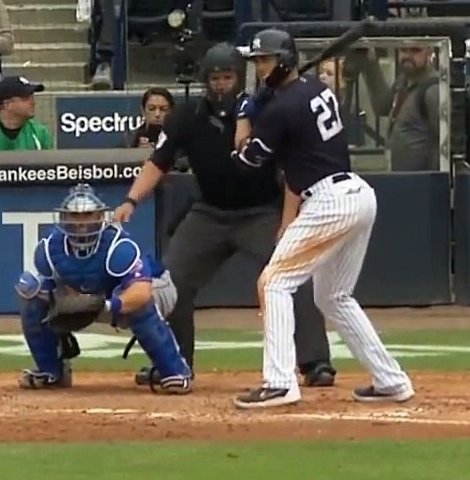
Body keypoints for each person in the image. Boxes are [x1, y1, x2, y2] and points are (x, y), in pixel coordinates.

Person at [114, 43, 334, 390]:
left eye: (227, 77)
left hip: (262, 211)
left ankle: (315, 361)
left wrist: (288, 220)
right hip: (210, 212)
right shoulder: (186, 116)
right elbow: (159, 162)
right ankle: (174, 362)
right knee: (171, 282)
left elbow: (293, 167)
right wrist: (130, 200)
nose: (220, 85)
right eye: (214, 78)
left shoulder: (265, 110)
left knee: (292, 275)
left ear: (239, 77)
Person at [231, 29, 416, 409]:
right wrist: (267, 101)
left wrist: (246, 116)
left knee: (274, 282)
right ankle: (390, 380)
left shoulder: (281, 108)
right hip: (357, 195)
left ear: (283, 60)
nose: (259, 67)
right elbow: (293, 124)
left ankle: (280, 382)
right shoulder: (314, 88)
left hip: (329, 202)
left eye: (265, 60)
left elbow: (246, 160)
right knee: (333, 296)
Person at [16, 183, 191, 392]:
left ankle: (174, 372)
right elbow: (44, 288)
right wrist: (53, 300)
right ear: (63, 218)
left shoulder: (118, 246)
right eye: (75, 216)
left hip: (156, 288)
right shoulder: (49, 249)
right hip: (96, 298)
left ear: (100, 216)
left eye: (88, 215)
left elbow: (141, 293)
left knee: (139, 304)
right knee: (32, 295)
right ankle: (51, 371)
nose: (81, 223)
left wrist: (106, 306)